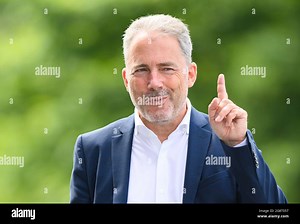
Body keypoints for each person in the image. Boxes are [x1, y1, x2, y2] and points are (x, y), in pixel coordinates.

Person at [70, 14, 287, 203]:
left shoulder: (229, 144)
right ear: (126, 80)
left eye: (167, 68)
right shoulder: (93, 150)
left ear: (190, 74)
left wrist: (237, 146)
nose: (154, 82)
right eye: (142, 70)